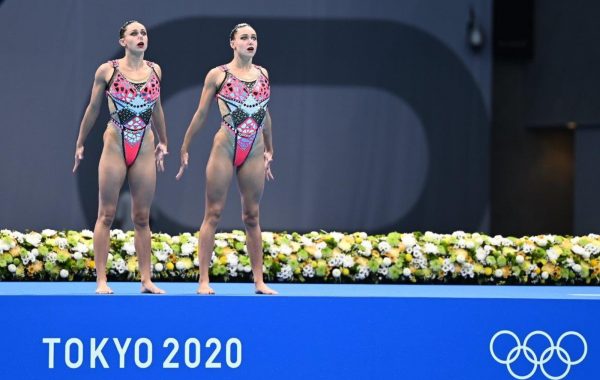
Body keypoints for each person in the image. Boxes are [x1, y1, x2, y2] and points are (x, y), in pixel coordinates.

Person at [176, 23, 277, 295]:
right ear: (233, 43)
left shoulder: (263, 74)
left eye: (254, 37)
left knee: (252, 216)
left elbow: (264, 114)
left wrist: (269, 147)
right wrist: (185, 146)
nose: (250, 41)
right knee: (214, 213)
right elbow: (200, 114)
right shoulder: (218, 75)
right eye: (244, 37)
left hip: (254, 147)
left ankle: (259, 281)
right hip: (226, 144)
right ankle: (204, 281)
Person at [73, 20, 168, 294]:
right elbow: (92, 109)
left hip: (145, 144)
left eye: (143, 33)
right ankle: (101, 280)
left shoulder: (155, 70)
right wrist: (80, 142)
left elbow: (157, 108)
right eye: (134, 33)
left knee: (142, 217)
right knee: (107, 214)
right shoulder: (108, 70)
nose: (140, 36)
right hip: (116, 142)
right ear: (122, 41)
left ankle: (146, 280)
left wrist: (164, 141)